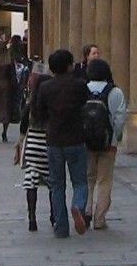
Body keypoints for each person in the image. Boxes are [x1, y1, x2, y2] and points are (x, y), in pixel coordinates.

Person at [31, 45, 92, 237]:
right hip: (76, 138)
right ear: (68, 66)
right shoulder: (79, 85)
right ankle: (77, 205)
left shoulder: (45, 87)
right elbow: (86, 107)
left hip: (54, 140)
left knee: (57, 185)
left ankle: (61, 226)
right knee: (80, 181)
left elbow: (38, 114)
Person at [82, 56, 127, 231]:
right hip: (108, 144)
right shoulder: (116, 92)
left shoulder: (83, 90)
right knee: (105, 180)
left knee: (88, 178)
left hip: (86, 143)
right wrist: (114, 136)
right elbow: (120, 118)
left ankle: (86, 210)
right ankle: (99, 218)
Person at [14, 86, 49, 230]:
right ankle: (54, 216)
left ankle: (32, 218)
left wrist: (20, 145)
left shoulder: (30, 107)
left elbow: (23, 131)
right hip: (48, 144)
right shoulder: (51, 105)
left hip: (33, 146)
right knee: (53, 182)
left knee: (31, 180)